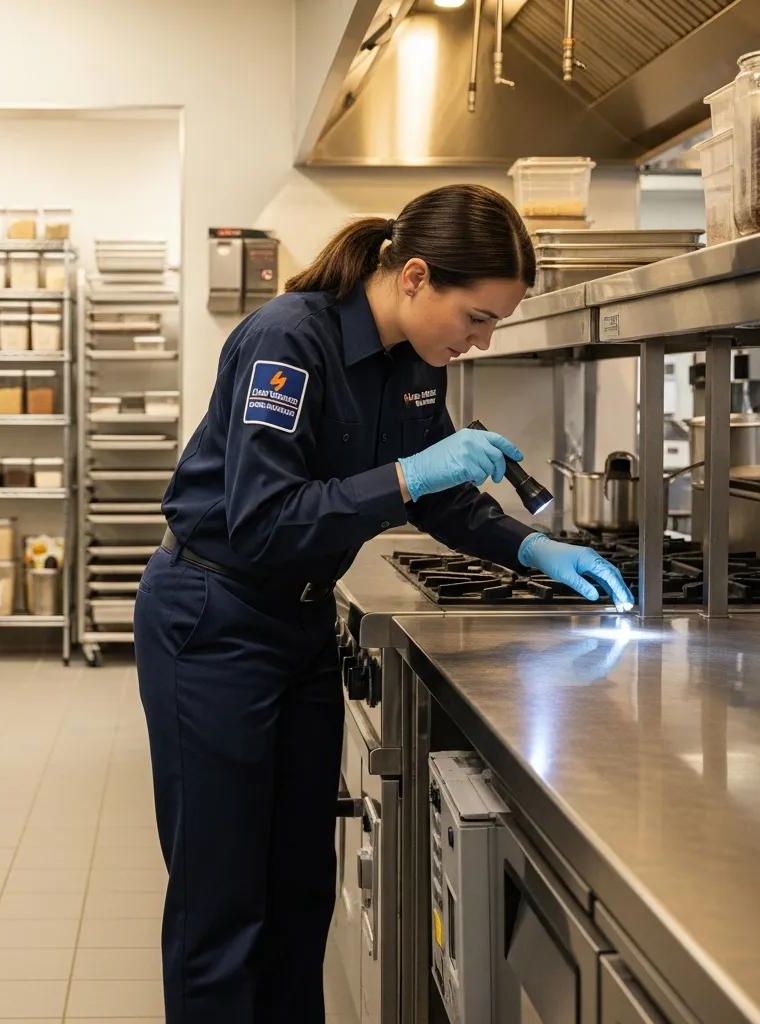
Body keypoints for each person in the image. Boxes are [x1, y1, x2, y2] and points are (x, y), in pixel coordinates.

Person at [134, 183, 634, 1023]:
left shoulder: (412, 364)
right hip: (211, 620)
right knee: (222, 906)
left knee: (300, 894)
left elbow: (439, 497)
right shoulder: (288, 339)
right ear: (413, 278)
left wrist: (532, 546)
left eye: (494, 325)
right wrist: (409, 475)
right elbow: (263, 520)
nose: (479, 342)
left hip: (296, 623)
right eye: (475, 318)